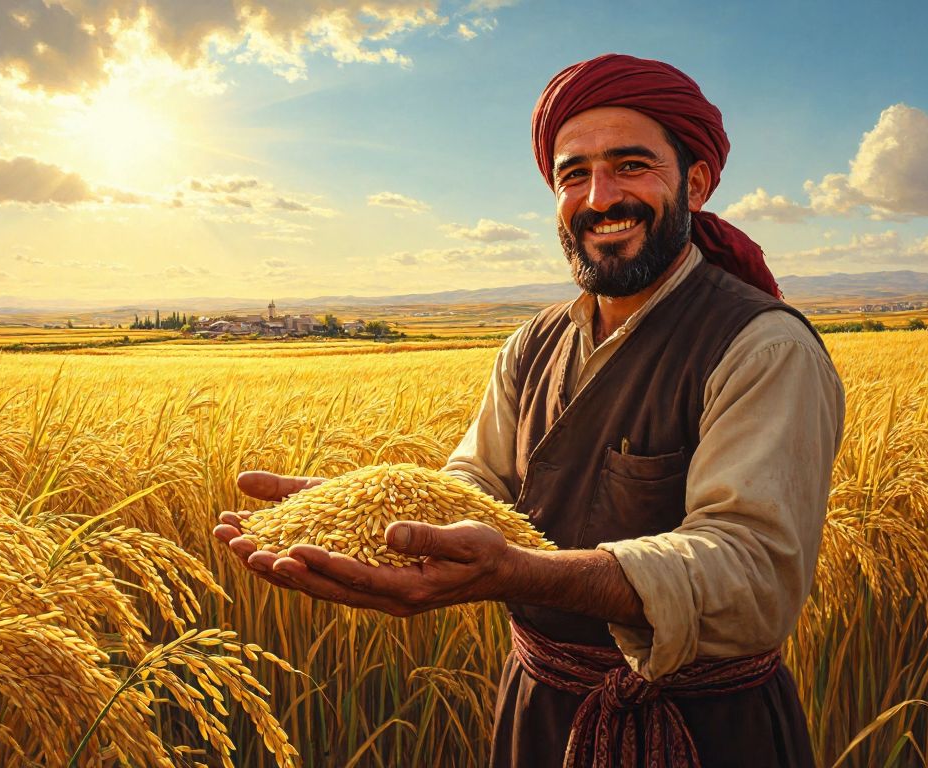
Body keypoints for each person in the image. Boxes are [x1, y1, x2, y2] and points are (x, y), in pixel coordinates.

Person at [214, 53, 845, 767]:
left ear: (694, 183)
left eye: (631, 165)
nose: (600, 196)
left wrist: (519, 573)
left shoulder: (760, 346)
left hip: (707, 732)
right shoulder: (532, 344)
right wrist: (382, 509)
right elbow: (476, 487)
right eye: (573, 174)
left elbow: (753, 569)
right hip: (540, 715)